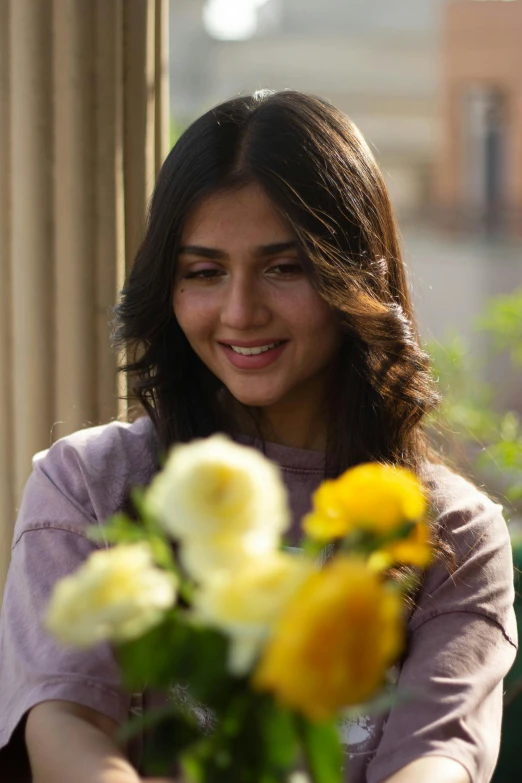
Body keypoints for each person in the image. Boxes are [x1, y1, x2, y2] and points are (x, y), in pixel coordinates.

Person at [0, 90, 517, 783]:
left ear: (358, 275)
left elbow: (437, 759)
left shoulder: (453, 535)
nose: (240, 312)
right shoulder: (88, 484)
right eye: (204, 272)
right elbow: (64, 721)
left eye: (285, 267)